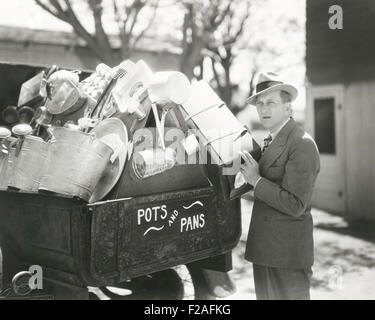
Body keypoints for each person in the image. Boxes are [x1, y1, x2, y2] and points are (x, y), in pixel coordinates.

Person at [238, 71, 320, 300]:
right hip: (265, 252)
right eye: (260, 104)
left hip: (287, 257)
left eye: (271, 103)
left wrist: (256, 180)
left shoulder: (301, 143)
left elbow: (296, 204)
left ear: (288, 108)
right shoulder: (270, 139)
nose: (263, 109)